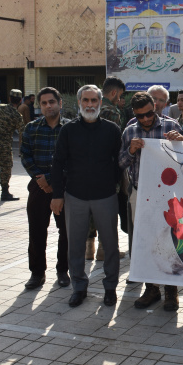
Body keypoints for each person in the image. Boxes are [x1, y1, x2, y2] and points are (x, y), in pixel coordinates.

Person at [51, 85, 123, 308]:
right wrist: (57, 195)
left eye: (94, 100)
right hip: (75, 196)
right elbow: (58, 163)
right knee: (75, 245)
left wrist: (115, 187)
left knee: (110, 244)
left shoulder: (112, 130)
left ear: (100, 103)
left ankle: (110, 288)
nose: (90, 105)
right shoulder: (68, 130)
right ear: (79, 102)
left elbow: (120, 163)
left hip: (105, 195)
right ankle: (79, 287)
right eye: (86, 100)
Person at [119, 92, 183, 312]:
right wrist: (131, 150)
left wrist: (181, 142)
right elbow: (120, 162)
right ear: (134, 114)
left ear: (155, 107)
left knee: (170, 241)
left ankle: (171, 291)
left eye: (150, 114)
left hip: (168, 196)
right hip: (141, 193)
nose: (147, 119)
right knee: (146, 240)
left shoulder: (170, 126)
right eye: (141, 116)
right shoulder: (130, 130)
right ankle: (151, 288)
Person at [20, 87, 71, 291]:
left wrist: (50, 178)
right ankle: (37, 273)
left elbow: (73, 159)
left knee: (66, 231)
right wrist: (40, 178)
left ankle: (63, 270)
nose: (48, 106)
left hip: (64, 187)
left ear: (60, 103)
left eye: (52, 102)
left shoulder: (70, 128)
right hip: (38, 187)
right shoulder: (31, 128)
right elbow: (25, 155)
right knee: (37, 231)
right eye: (44, 103)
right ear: (39, 106)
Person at [87, 76, 127, 261]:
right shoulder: (113, 112)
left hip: (87, 168)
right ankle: (104, 249)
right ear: (114, 93)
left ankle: (89, 249)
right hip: (106, 169)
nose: (120, 99)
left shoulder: (88, 109)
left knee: (90, 207)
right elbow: (115, 143)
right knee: (108, 208)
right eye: (120, 95)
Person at [0, 89, 25, 201]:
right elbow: (23, 133)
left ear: (9, 98)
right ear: (20, 100)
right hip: (4, 144)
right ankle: (5, 192)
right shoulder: (17, 116)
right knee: (6, 167)